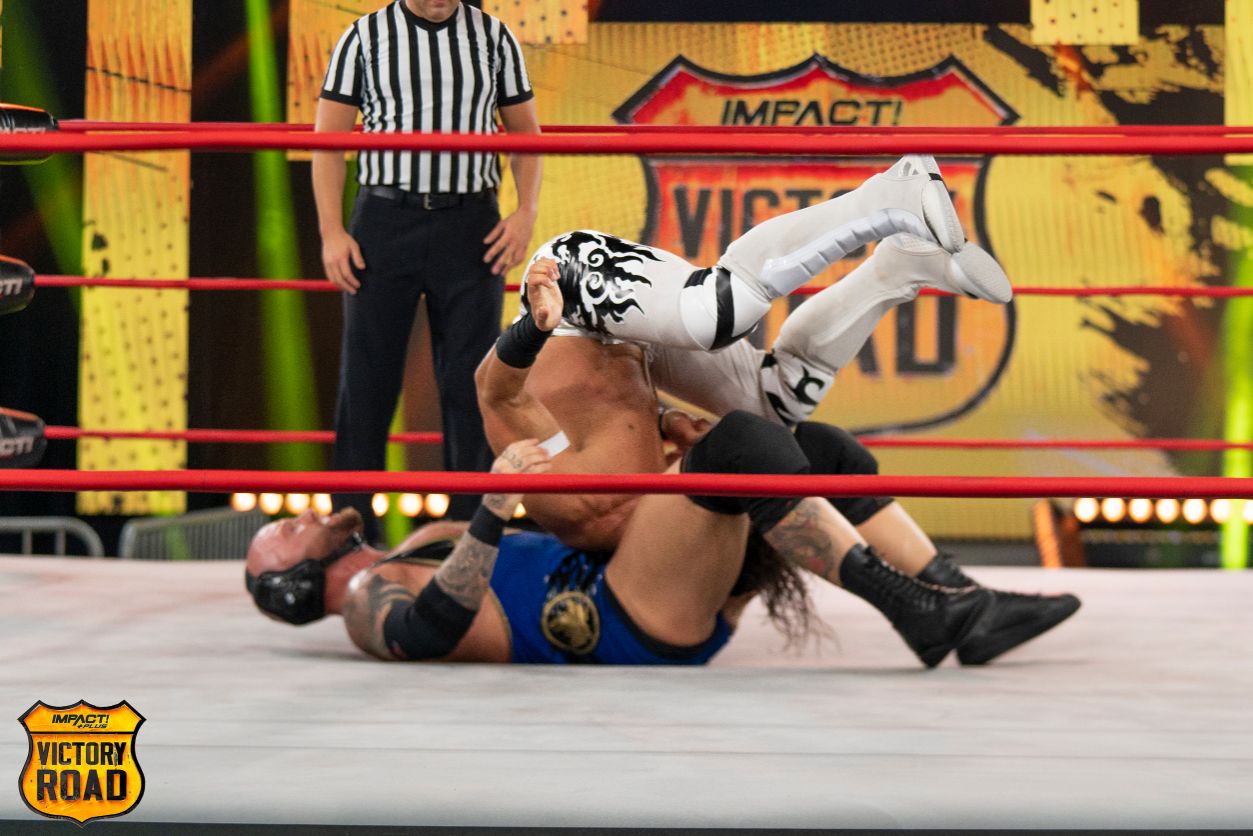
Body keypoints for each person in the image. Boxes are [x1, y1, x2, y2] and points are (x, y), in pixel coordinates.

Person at [314, 0, 542, 542]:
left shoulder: (494, 37)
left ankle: (468, 536)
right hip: (384, 220)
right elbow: (328, 141)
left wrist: (525, 213)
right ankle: (351, 532)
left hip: (470, 223)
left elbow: (526, 135)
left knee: (472, 381)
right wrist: (331, 232)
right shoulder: (364, 37)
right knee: (366, 379)